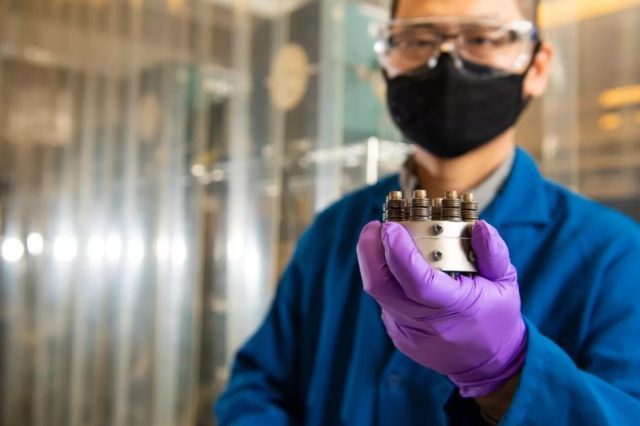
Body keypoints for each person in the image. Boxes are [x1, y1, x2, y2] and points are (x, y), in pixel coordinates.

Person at [216, 0, 640, 424]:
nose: (447, 63)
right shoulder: (335, 229)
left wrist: (507, 375)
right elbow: (257, 386)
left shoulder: (614, 255)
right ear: (386, 59)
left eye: (482, 38)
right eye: (418, 40)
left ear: (537, 66)